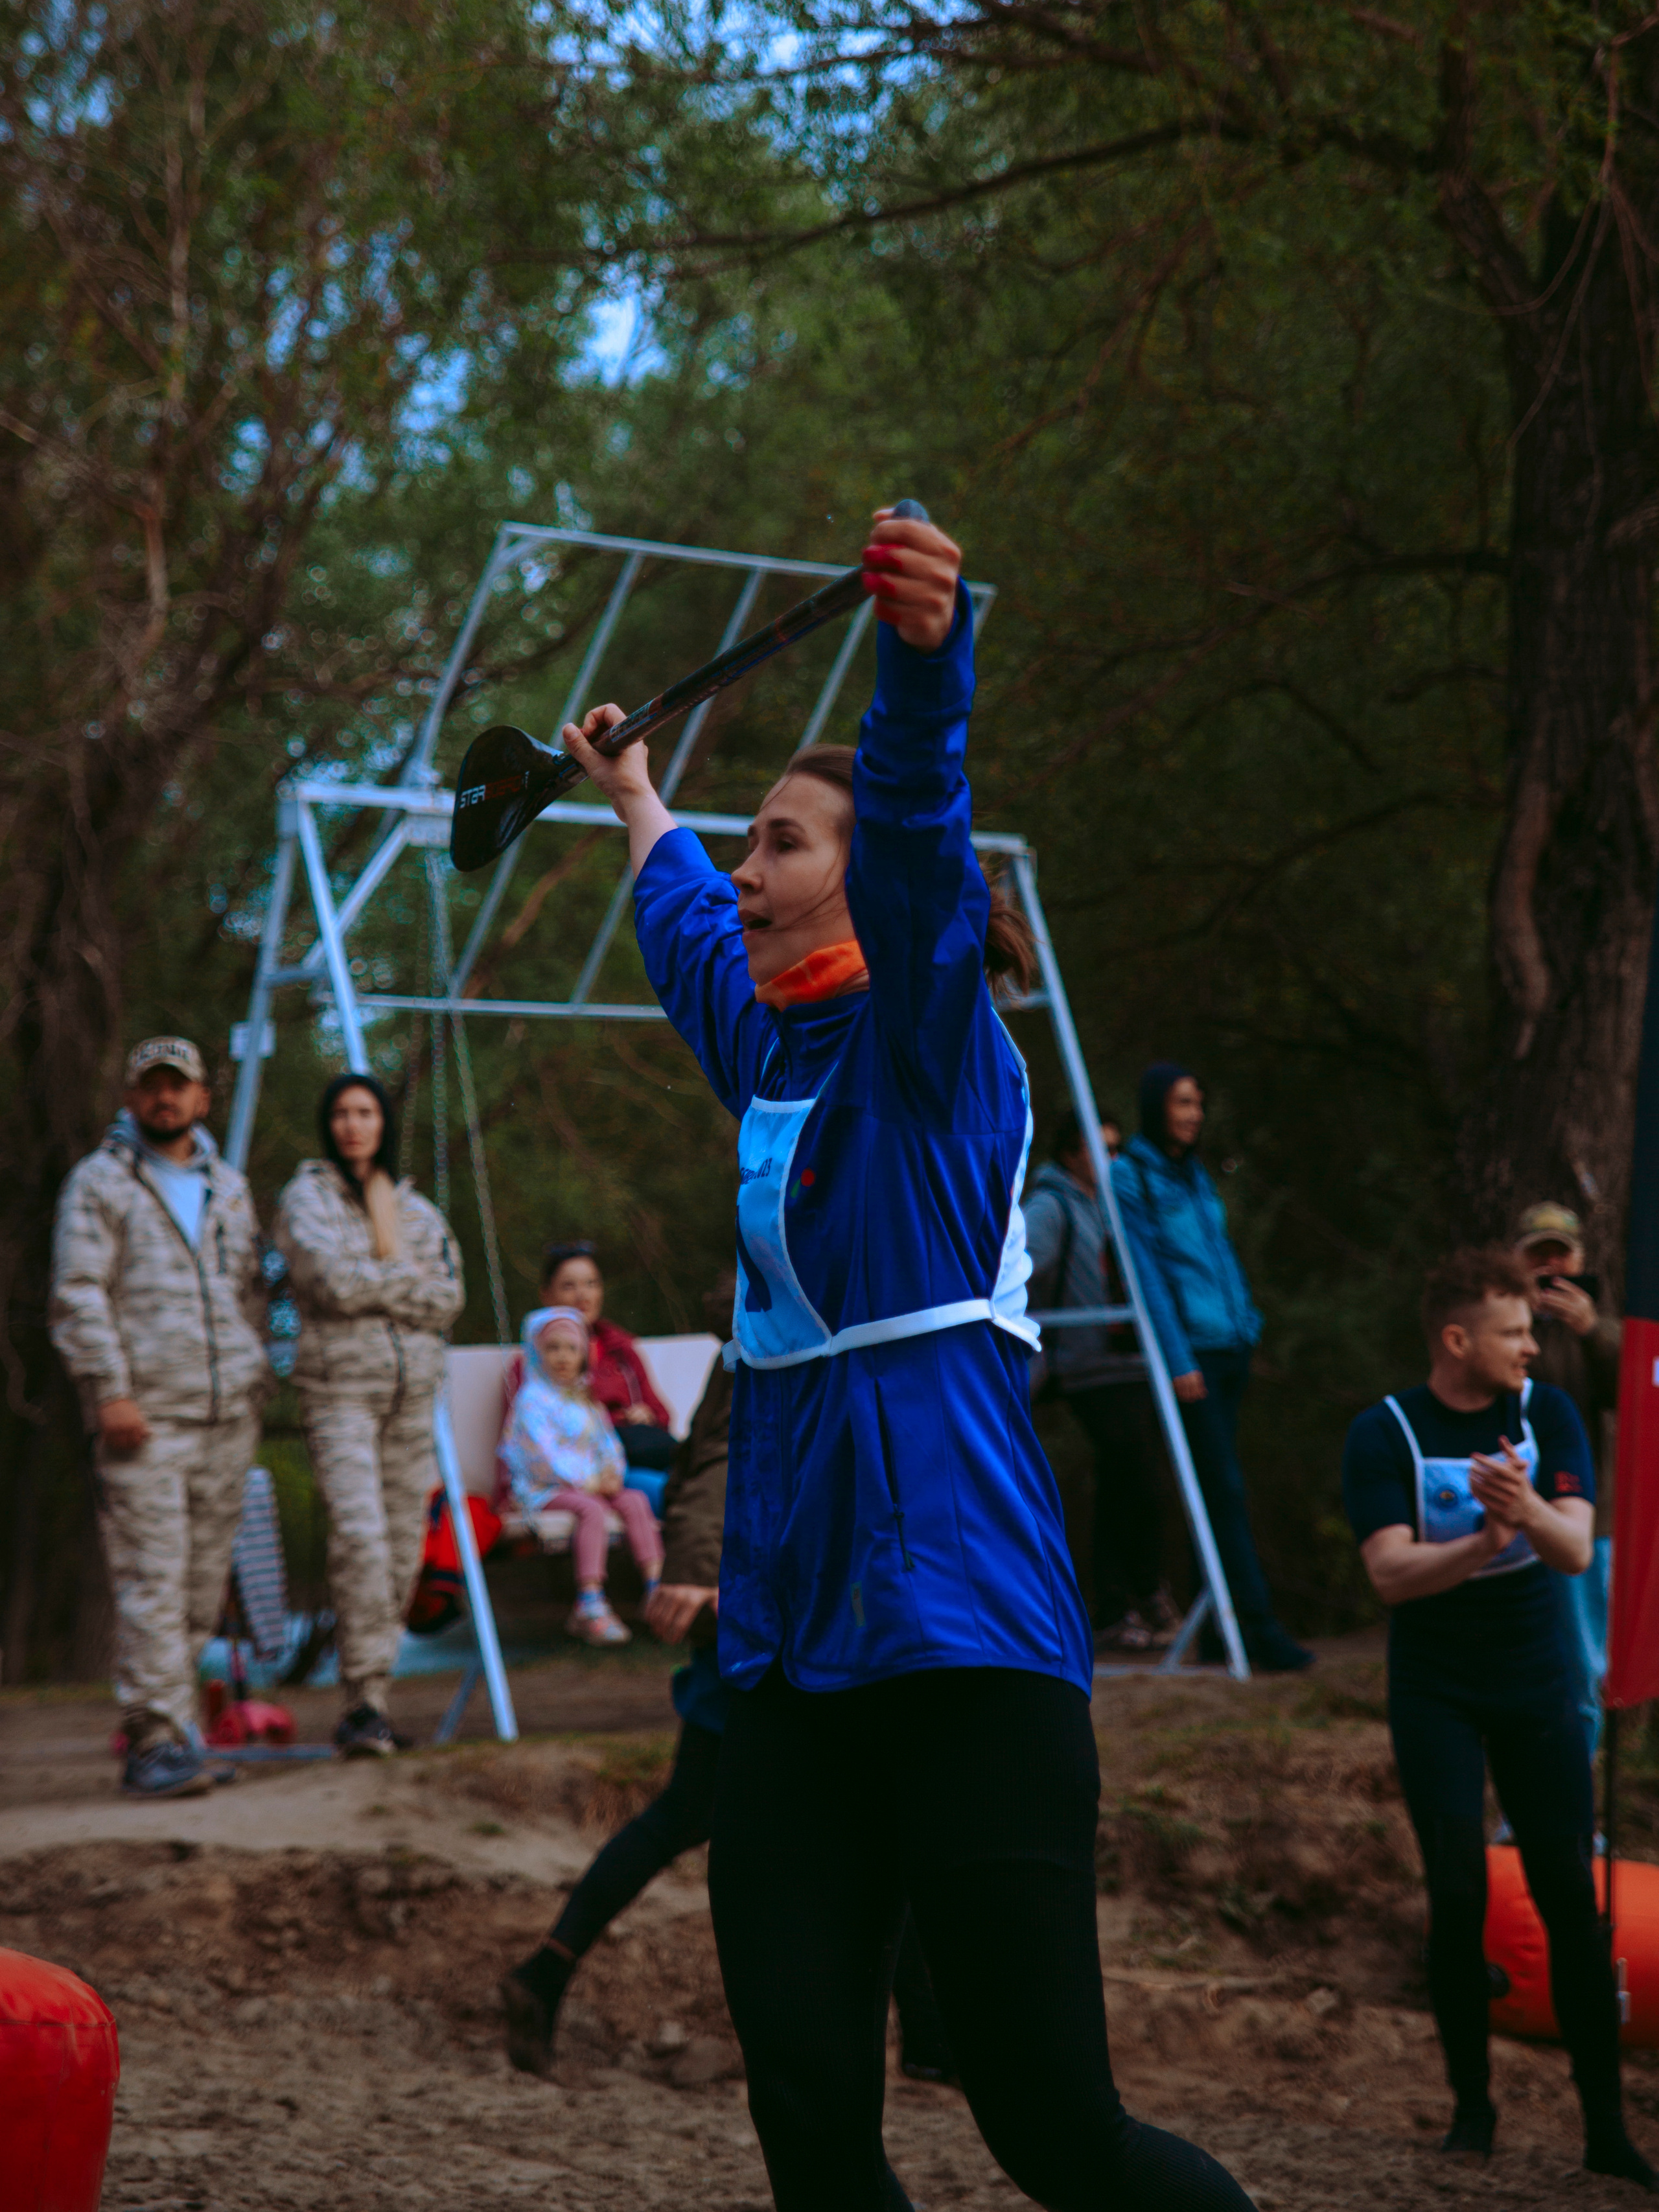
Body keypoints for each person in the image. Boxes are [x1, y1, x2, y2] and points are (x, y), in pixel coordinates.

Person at [562, 507, 1251, 2211]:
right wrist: (641, 799)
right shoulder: (775, 1048)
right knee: (808, 2109)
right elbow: (691, 936)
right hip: (794, 1652)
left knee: (1050, 2134)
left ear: (857, 880)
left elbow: (922, 834)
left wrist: (924, 665)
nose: (749, 865)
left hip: (962, 1635)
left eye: (778, 840)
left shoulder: (938, 1039)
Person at [500, 1281, 957, 2084]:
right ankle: (916, 2040)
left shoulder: (814, 1324)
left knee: (846, 1811)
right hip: (755, 1618)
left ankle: (924, 2038)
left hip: (788, 1612)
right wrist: (707, 1585)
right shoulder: (778, 1335)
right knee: (811, 1811)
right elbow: (715, 1471)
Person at [1341, 1246, 1652, 2184]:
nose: (1530, 1344)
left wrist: (1522, 1511)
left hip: (1535, 1684)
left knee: (1573, 1899)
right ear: (1457, 1339)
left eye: (1531, 1328)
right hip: (1434, 1688)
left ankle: (1606, 2132)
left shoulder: (1546, 1412)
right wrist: (1485, 1540)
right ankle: (1472, 2114)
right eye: (1513, 1331)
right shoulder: (1385, 1429)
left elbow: (1572, 1549)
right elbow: (1391, 1574)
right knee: (1460, 1895)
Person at [49, 1037, 271, 1799]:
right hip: (144, 1417)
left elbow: (248, 1292)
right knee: (153, 1579)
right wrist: (109, 1391)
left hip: (223, 1417)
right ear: (133, 1096)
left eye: (178, 1087)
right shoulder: (101, 1182)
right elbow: (78, 1291)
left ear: (203, 1097)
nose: (165, 1099)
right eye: (152, 1087)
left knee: (200, 1589)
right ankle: (152, 1741)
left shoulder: (228, 1188)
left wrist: (253, 1380)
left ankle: (181, 1736)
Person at [275, 1073, 463, 1757]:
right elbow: (329, 1280)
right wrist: (399, 1280)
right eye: (342, 1113)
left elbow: (448, 1296)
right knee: (359, 1539)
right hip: (341, 1394)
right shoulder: (307, 1196)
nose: (355, 1124)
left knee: (402, 1550)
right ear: (329, 1124)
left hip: (412, 1397)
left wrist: (378, 1280)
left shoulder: (412, 1207)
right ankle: (360, 1698)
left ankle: (373, 1700)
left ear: (383, 1121)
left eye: (366, 1112)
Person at [1113, 1062, 1312, 1673]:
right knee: (1223, 1490)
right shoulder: (1131, 1176)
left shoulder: (1194, 1173)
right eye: (1182, 1102)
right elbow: (1146, 1277)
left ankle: (1219, 1635)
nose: (1194, 1113)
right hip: (1192, 1358)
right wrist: (1177, 1359)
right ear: (1156, 1107)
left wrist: (1250, 1323)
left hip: (1231, 1348)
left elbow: (1219, 1255)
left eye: (1198, 1101)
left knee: (1214, 1490)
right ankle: (1255, 1626)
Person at [1025, 1108, 1178, 1653]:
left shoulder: (1112, 1204)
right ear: (1070, 1153)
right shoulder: (1050, 1206)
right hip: (1086, 1366)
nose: (1111, 1159)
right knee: (1130, 1476)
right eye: (1099, 1148)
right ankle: (1119, 1603)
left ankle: (1134, 1597)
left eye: (1116, 1148)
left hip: (1130, 1363)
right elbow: (1013, 1271)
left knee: (1134, 1482)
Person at [1512, 1201, 1621, 1756]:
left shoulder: (1602, 1325)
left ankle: (1577, 1807)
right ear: (1518, 1261)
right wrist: (1517, 1318)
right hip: (1503, 1516)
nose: (1551, 1266)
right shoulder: (1500, 1322)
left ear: (1580, 1260)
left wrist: (1592, 1328)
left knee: (1582, 1666)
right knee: (1511, 1661)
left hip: (1588, 1520)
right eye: (1539, 1255)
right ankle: (1516, 1814)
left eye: (1562, 1254)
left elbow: (1640, 1386)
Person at [500, 1306, 665, 1647]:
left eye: (572, 1349)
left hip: (594, 1483)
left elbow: (608, 1442)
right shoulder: (532, 1400)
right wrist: (588, 1483)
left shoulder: (585, 1398)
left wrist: (612, 1475)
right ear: (537, 1352)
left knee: (634, 1500)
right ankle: (589, 1602)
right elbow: (541, 1456)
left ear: (583, 1355)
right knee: (591, 1510)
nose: (563, 1357)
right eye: (553, 1348)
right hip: (545, 1487)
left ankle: (656, 1587)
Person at [516, 1241, 678, 1509]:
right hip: (589, 1471)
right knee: (669, 1492)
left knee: (704, 1485)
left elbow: (662, 1415)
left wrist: (645, 1414)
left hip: (633, 1453)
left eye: (592, 1284)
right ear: (546, 1295)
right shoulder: (534, 1365)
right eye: (569, 1286)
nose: (583, 1295)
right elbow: (522, 1436)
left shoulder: (622, 1350)